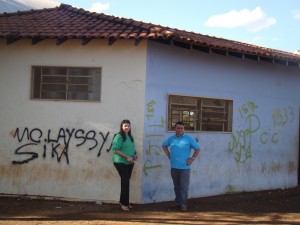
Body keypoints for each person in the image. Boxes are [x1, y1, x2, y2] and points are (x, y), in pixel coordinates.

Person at [162, 121, 201, 212]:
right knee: (176, 186)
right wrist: (168, 154)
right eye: (178, 128)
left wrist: (192, 159)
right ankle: (179, 203)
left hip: (185, 168)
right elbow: (164, 146)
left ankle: (183, 205)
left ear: (184, 129)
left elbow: (197, 148)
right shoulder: (171, 139)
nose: (180, 129)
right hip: (174, 167)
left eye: (182, 128)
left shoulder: (188, 139)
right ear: (175, 129)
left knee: (183, 187)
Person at [112, 119, 137, 211]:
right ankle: (123, 203)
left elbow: (132, 148)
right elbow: (115, 150)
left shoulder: (131, 137)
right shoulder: (118, 136)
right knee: (125, 181)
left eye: (128, 126)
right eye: (125, 126)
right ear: (122, 127)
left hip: (130, 162)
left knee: (126, 182)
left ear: (130, 127)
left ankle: (125, 202)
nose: (127, 127)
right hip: (120, 162)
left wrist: (135, 154)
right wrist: (127, 157)